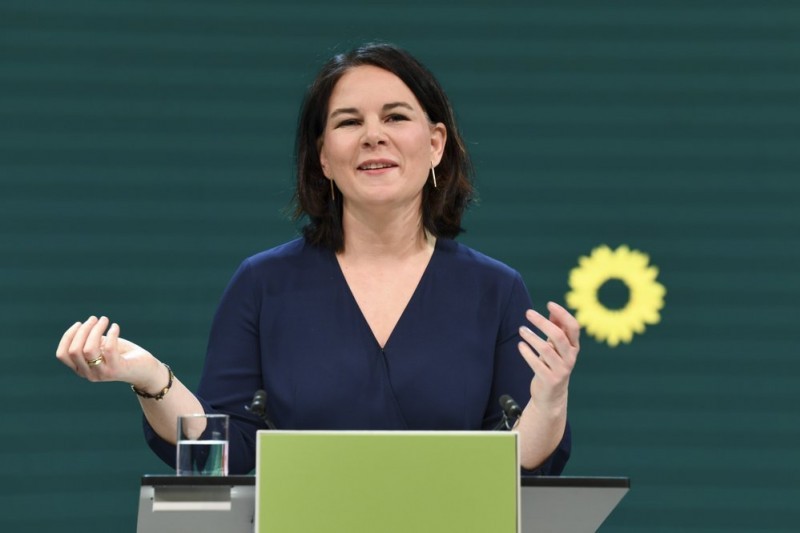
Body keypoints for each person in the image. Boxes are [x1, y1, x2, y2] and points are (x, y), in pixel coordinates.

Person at [55, 43, 579, 475]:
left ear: (436, 143)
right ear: (324, 155)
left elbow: (520, 467)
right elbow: (220, 460)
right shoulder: (263, 284)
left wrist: (551, 398)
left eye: (396, 116)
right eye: (349, 122)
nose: (374, 135)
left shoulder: (495, 290)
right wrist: (150, 378)